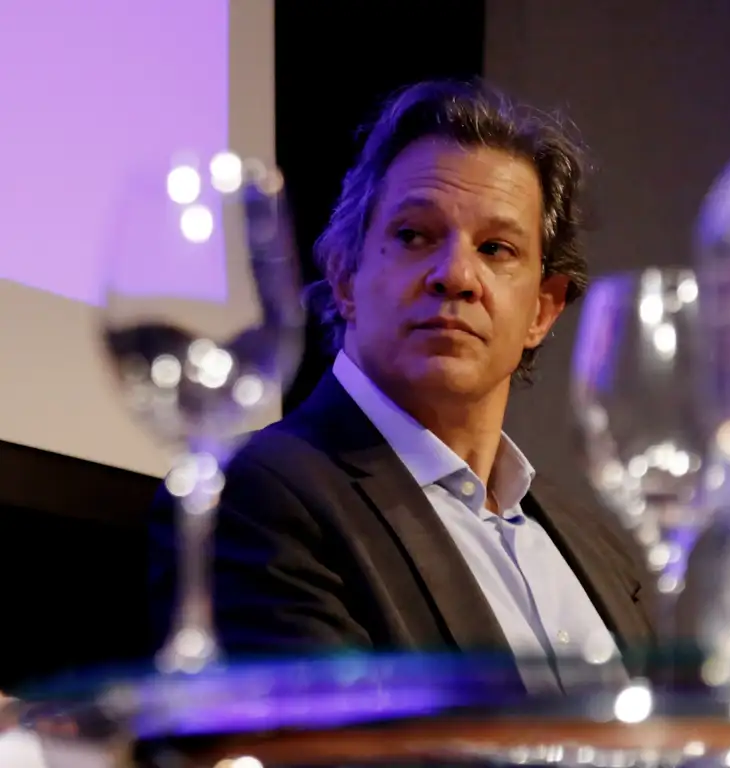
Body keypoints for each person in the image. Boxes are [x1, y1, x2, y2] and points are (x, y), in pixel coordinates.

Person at [148, 79, 655, 692]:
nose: (456, 275)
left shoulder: (602, 550)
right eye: (415, 235)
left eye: (496, 248)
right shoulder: (257, 498)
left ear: (542, 312)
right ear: (344, 276)